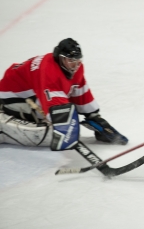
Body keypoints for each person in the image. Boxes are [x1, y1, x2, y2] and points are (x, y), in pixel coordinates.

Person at [0, 38, 128, 151]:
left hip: (33, 91)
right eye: (71, 61)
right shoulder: (48, 71)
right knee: (50, 130)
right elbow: (55, 106)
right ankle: (5, 128)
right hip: (12, 96)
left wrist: (93, 116)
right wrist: (64, 126)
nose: (76, 65)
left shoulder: (75, 67)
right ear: (60, 58)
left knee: (63, 118)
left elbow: (79, 91)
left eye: (78, 61)